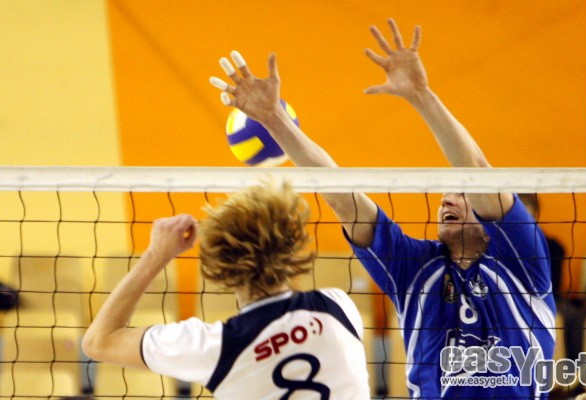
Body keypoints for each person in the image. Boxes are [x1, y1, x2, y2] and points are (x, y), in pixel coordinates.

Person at [209, 18, 556, 398]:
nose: (447, 198)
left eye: (464, 193)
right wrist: (274, 119)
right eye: (449, 191)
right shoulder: (414, 268)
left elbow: (477, 169)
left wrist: (422, 95)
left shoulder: (524, 263)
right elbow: (341, 195)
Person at [82, 181, 370, 399]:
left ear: (219, 266)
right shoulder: (338, 305)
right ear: (290, 245)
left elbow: (98, 341)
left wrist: (157, 255)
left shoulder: (214, 348)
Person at [520, 193, 586, 398]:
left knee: (574, 316)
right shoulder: (497, 244)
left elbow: (554, 284)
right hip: (511, 299)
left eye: (527, 212)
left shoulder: (552, 246)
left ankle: (575, 378)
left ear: (535, 213)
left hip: (548, 299)